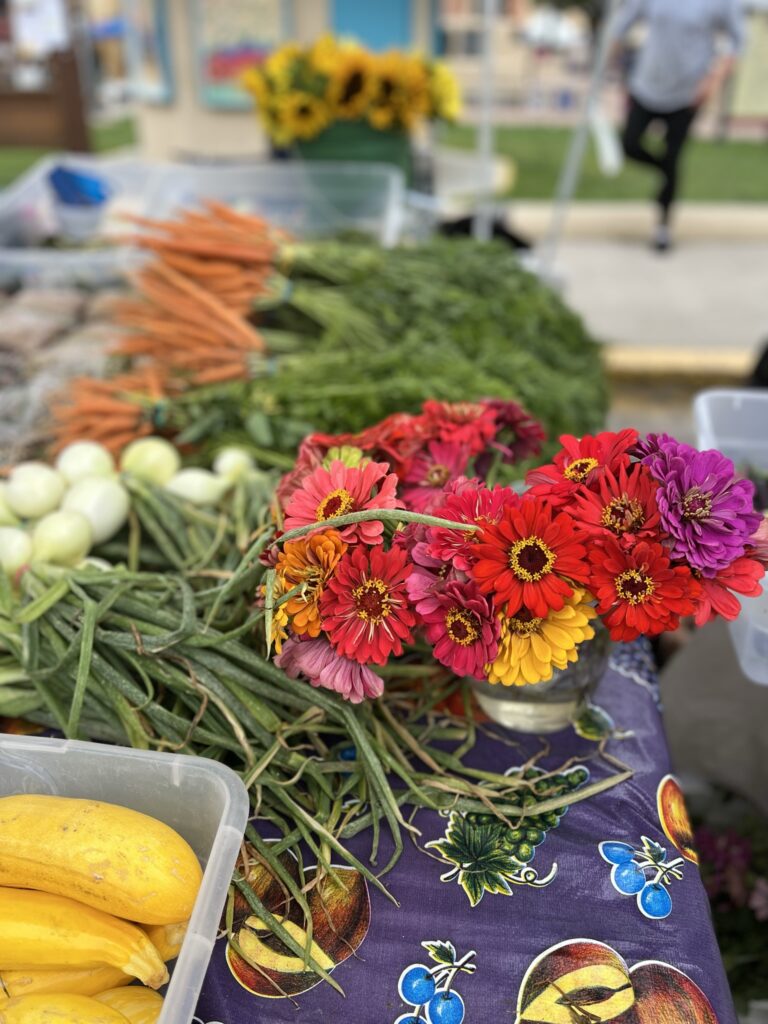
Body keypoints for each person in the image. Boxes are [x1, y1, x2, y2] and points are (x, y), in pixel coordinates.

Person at [612, 0, 745, 251]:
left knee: (673, 157)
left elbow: (738, 42)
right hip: (646, 84)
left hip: (687, 93)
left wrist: (713, 81)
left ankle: (663, 227)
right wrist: (614, 68)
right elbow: (620, 27)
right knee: (629, 145)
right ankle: (664, 172)